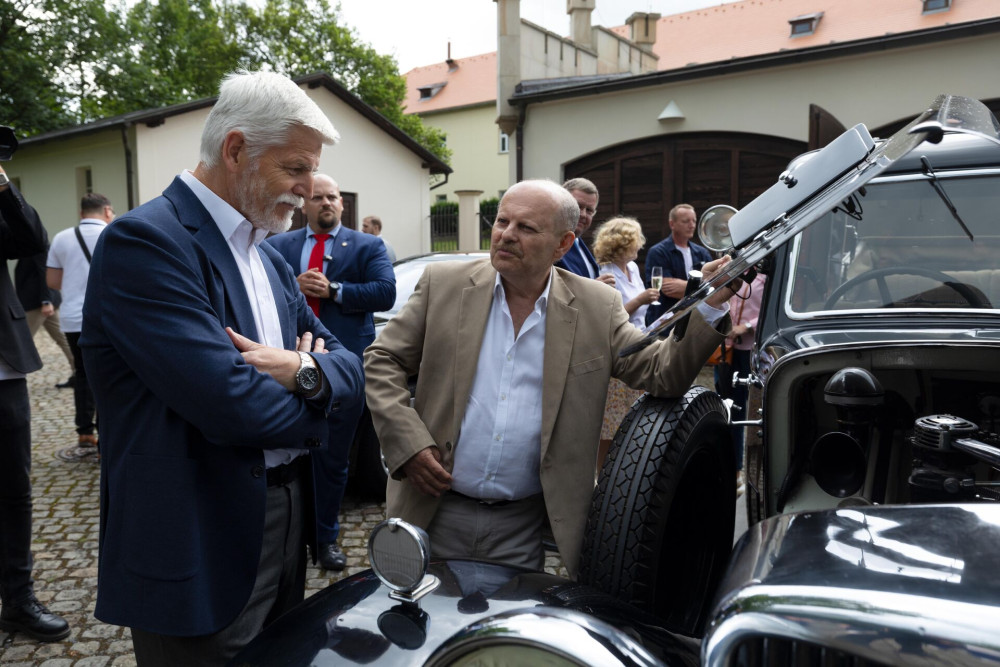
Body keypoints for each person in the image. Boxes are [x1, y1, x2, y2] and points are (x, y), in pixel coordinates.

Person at [79, 70, 365, 666]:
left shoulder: (266, 255)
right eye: (295, 169)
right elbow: (235, 405)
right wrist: (317, 386)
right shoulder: (146, 242)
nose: (310, 190)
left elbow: (350, 368)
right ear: (236, 149)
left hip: (286, 518)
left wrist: (304, 372)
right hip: (196, 532)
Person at [365, 179, 734, 578]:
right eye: (502, 221)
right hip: (431, 510)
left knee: (505, 633)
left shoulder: (596, 305)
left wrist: (711, 301)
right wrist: (410, 446)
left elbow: (662, 373)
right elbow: (382, 359)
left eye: (526, 228)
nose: (506, 235)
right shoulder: (444, 285)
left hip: (521, 527)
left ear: (563, 244)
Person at [266, 174, 395, 571]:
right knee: (284, 457)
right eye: (318, 197)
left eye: (333, 197)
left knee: (333, 460)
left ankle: (325, 539)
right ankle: (283, 540)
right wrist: (293, 284)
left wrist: (335, 290)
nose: (326, 203)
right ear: (304, 204)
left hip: (341, 370)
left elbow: (385, 292)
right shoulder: (277, 244)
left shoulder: (368, 245)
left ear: (342, 204)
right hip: (286, 367)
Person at [0, 163, 71, 642]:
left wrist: (3, 184)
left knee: (12, 488)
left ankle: (18, 599)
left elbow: (30, 237)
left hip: (1, 367)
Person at [46, 193, 114, 449]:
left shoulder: (62, 237)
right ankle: (105, 438)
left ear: (81, 212)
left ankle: (84, 431)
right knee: (110, 376)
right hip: (108, 317)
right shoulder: (116, 232)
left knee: (83, 373)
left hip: (74, 317)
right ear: (107, 210)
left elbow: (52, 282)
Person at [592, 216, 660, 466]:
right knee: (612, 419)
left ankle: (626, 467)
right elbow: (612, 316)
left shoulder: (632, 268)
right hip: (618, 348)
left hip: (640, 342)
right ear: (622, 243)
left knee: (634, 414)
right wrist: (641, 300)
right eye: (635, 240)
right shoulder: (606, 272)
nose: (640, 245)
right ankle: (604, 472)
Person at [716, 272, 766, 490]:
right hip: (727, 350)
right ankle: (732, 469)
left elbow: (766, 311)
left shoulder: (764, 279)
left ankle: (753, 469)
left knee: (754, 411)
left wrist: (746, 326)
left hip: (750, 351)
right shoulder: (732, 274)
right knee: (728, 408)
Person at [644, 203, 713, 326]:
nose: (692, 225)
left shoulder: (702, 253)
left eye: (694, 221)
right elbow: (668, 289)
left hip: (693, 322)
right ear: (672, 224)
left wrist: (685, 287)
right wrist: (701, 288)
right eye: (686, 221)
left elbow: (712, 287)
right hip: (665, 323)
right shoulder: (658, 252)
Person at [15, 248, 74, 386]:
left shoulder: (37, 246)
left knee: (20, 342)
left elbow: (44, 273)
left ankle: (11, 380)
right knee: (63, 339)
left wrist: (46, 301)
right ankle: (81, 374)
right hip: (41, 303)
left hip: (38, 304)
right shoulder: (30, 246)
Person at [554, 177, 613, 285]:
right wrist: (592, 288)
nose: (583, 214)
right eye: (577, 206)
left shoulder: (579, 243)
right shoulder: (550, 243)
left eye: (589, 210)